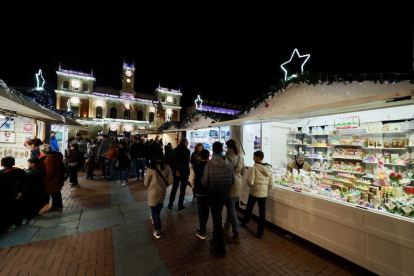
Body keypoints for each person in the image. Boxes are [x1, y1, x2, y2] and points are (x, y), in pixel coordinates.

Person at [201, 142, 235, 257]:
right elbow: (232, 180)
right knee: (218, 216)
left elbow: (205, 182)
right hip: (224, 194)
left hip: (213, 195)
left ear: (213, 151)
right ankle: (216, 239)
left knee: (216, 219)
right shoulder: (228, 164)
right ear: (222, 149)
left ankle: (220, 247)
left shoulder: (210, 164)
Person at [238, 150, 274, 238]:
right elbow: (271, 184)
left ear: (257, 158)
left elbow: (250, 182)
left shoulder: (255, 168)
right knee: (262, 212)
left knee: (249, 207)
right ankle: (260, 231)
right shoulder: (269, 169)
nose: (253, 158)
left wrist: (248, 183)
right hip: (263, 193)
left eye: (254, 156)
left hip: (254, 192)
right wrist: (265, 188)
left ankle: (245, 220)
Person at [144, 150, 173, 239]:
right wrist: (165, 185)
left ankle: (158, 230)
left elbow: (145, 183)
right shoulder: (167, 167)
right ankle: (154, 219)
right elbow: (171, 181)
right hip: (162, 191)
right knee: (159, 207)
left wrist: (151, 185)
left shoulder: (150, 168)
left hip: (153, 192)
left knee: (154, 212)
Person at [223, 139, 245, 244]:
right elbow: (243, 171)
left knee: (231, 210)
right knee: (231, 207)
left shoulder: (227, 157)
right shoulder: (240, 156)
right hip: (239, 184)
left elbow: (226, 173)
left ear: (227, 146)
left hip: (230, 185)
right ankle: (226, 228)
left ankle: (236, 234)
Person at [0, 157, 27, 231]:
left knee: (10, 211)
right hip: (20, 193)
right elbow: (24, 182)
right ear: (14, 163)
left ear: (1, 164)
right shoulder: (20, 171)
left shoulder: (1, 173)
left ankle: (13, 226)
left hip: (8, 196)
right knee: (20, 207)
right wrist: (20, 191)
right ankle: (23, 220)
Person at [189, 149, 210, 240]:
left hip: (199, 191)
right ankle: (203, 225)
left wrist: (195, 187)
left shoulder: (195, 167)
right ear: (209, 156)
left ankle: (202, 230)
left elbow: (191, 179)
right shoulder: (211, 166)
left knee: (201, 210)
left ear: (200, 157)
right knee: (207, 209)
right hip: (209, 191)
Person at [40, 144, 64, 213]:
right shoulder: (55, 156)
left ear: (42, 151)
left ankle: (55, 206)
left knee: (54, 193)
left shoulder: (49, 159)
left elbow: (50, 172)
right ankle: (58, 205)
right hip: (57, 178)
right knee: (56, 193)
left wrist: (45, 179)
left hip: (52, 179)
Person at [168, 138, 190, 212]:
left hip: (176, 172)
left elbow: (170, 162)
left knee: (174, 188)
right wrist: (181, 171)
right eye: (187, 142)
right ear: (185, 143)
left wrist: (176, 171)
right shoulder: (187, 151)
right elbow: (186, 163)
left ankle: (170, 205)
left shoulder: (173, 150)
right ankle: (180, 206)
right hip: (184, 173)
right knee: (182, 189)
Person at [22, 158, 47, 222]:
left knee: (31, 203)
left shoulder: (30, 172)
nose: (28, 164)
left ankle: (32, 215)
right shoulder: (42, 171)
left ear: (33, 164)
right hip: (39, 190)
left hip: (32, 191)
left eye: (28, 163)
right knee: (37, 203)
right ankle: (35, 213)